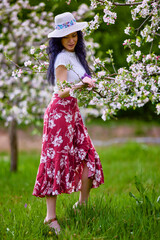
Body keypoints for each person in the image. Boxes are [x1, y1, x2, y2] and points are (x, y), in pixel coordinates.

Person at [33, 12, 104, 235]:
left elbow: (77, 85)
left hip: (73, 112)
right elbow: (62, 91)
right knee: (55, 161)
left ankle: (81, 204)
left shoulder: (75, 56)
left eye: (74, 35)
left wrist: (88, 83)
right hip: (59, 113)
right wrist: (81, 85)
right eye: (66, 37)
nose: (72, 40)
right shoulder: (62, 58)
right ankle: (50, 218)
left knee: (88, 156)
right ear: (59, 40)